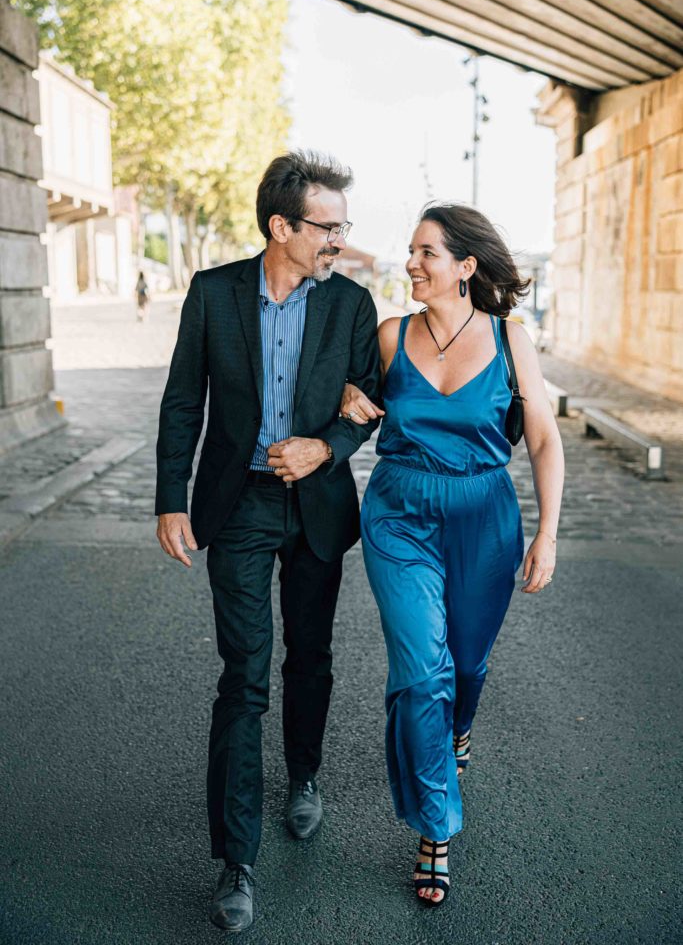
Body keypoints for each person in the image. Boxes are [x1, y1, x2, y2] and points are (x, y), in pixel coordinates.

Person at [154, 150, 381, 932]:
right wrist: (168, 500)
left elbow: (367, 403)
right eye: (327, 227)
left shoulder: (350, 303)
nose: (339, 241)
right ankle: (235, 858)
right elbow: (185, 398)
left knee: (309, 656)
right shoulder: (213, 293)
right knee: (244, 675)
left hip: (315, 505)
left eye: (342, 227)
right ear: (281, 226)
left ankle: (306, 776)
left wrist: (326, 446)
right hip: (238, 506)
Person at [340, 203, 564, 906]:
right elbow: (354, 406)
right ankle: (435, 826)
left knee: (465, 665)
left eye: (426, 252)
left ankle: (457, 731)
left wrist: (547, 533)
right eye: (409, 251)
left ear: (465, 266)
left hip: (482, 516)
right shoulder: (388, 335)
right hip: (397, 513)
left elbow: (543, 440)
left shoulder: (508, 339)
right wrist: (350, 397)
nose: (410, 263)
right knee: (421, 670)